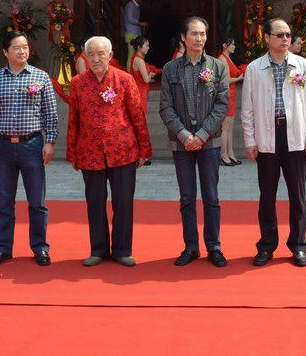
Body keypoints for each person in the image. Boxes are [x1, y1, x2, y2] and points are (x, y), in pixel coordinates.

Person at [242, 18, 306, 268]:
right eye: (279, 34)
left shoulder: (303, 65)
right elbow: (247, 109)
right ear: (267, 38)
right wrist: (250, 140)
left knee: (297, 194)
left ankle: (298, 245)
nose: (285, 39)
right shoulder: (254, 68)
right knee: (267, 195)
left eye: (288, 34)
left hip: (295, 136)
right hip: (267, 136)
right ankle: (267, 245)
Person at [67, 36, 152, 267]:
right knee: (94, 202)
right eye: (91, 55)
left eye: (100, 54)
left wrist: (144, 148)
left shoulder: (124, 80)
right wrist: (72, 153)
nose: (95, 59)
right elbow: (73, 119)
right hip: (90, 152)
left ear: (110, 55)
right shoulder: (78, 83)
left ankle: (123, 249)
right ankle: (98, 249)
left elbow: (137, 115)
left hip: (123, 151)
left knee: (123, 202)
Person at [0, 32, 58, 268]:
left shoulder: (40, 77)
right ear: (5, 51)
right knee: (5, 201)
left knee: (37, 201)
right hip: (3, 146)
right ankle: (3, 249)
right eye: (16, 47)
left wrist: (50, 141)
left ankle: (40, 247)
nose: (22, 51)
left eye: (25, 47)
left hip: (32, 145)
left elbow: (50, 113)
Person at [159, 17, 230, 268]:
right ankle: (191, 246)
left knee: (211, 196)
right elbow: (166, 107)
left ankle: (214, 247)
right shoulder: (170, 69)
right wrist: (184, 135)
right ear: (183, 37)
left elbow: (222, 105)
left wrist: (201, 134)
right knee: (187, 197)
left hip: (209, 142)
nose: (199, 38)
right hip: (182, 144)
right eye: (194, 34)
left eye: (202, 34)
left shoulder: (217, 67)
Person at [217, 37, 243, 166]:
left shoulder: (227, 58)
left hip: (231, 94)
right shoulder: (222, 59)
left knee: (230, 127)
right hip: (226, 95)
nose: (234, 46)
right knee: (225, 128)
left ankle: (230, 153)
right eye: (232, 44)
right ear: (224, 45)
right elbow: (226, 80)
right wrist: (240, 78)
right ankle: (223, 155)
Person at [130, 35, 159, 103]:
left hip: (138, 89)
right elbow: (146, 80)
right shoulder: (140, 61)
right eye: (146, 46)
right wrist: (150, 74)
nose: (148, 48)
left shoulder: (135, 57)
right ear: (139, 47)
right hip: (140, 91)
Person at [122, 0, 145, 69]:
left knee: (136, 54)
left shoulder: (136, 6)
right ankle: (129, 72)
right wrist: (140, 23)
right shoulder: (130, 5)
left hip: (135, 32)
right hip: (131, 33)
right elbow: (130, 18)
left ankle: (135, 71)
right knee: (131, 54)